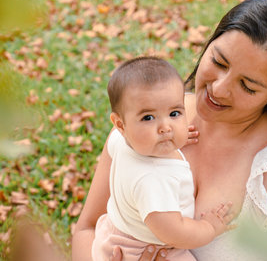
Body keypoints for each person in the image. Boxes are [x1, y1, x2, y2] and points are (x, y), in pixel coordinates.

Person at [72, 0, 267, 261]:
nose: (219, 89)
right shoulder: (144, 121)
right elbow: (87, 228)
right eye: (218, 62)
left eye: (247, 86)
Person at [91, 56, 233, 261]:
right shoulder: (153, 179)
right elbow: (175, 233)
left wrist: (168, 143)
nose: (166, 127)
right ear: (121, 124)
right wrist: (209, 226)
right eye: (148, 118)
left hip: (112, 236)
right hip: (145, 250)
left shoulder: (120, 140)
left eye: (174, 113)